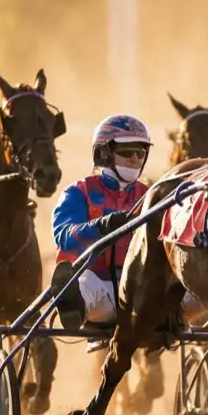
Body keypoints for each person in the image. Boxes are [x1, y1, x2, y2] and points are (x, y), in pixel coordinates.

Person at [50, 115, 154, 329]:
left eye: (141, 152)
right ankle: (73, 306)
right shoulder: (79, 192)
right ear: (103, 154)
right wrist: (101, 225)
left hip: (142, 291)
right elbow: (64, 236)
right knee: (85, 283)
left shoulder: (152, 195)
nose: (135, 158)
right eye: (127, 151)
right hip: (100, 286)